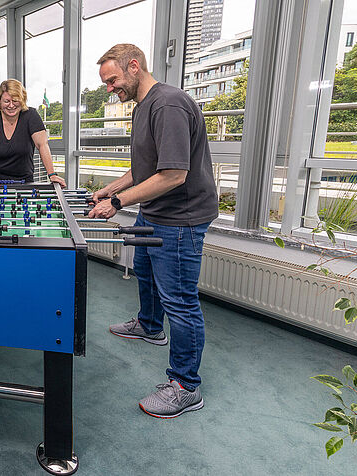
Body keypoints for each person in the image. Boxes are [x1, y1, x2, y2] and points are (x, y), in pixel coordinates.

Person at [88, 44, 218, 419]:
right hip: (156, 210)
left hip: (182, 217)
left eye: (112, 80)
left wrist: (117, 204)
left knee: (180, 300)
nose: (110, 88)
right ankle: (148, 326)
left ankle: (185, 386)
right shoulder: (143, 107)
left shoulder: (168, 104)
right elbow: (146, 168)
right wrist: (111, 189)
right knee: (143, 269)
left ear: (134, 66)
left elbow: (174, 174)